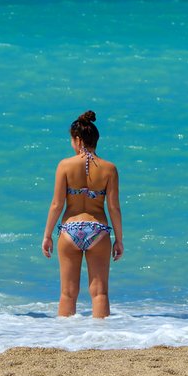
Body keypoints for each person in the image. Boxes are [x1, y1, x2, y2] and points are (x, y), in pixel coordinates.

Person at [42, 111, 124, 318]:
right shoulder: (109, 169)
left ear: (78, 140)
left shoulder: (65, 165)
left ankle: (66, 341)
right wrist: (119, 240)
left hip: (70, 230)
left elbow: (56, 204)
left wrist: (47, 235)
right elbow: (114, 207)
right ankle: (101, 339)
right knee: (99, 292)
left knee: (68, 293)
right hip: (99, 231)